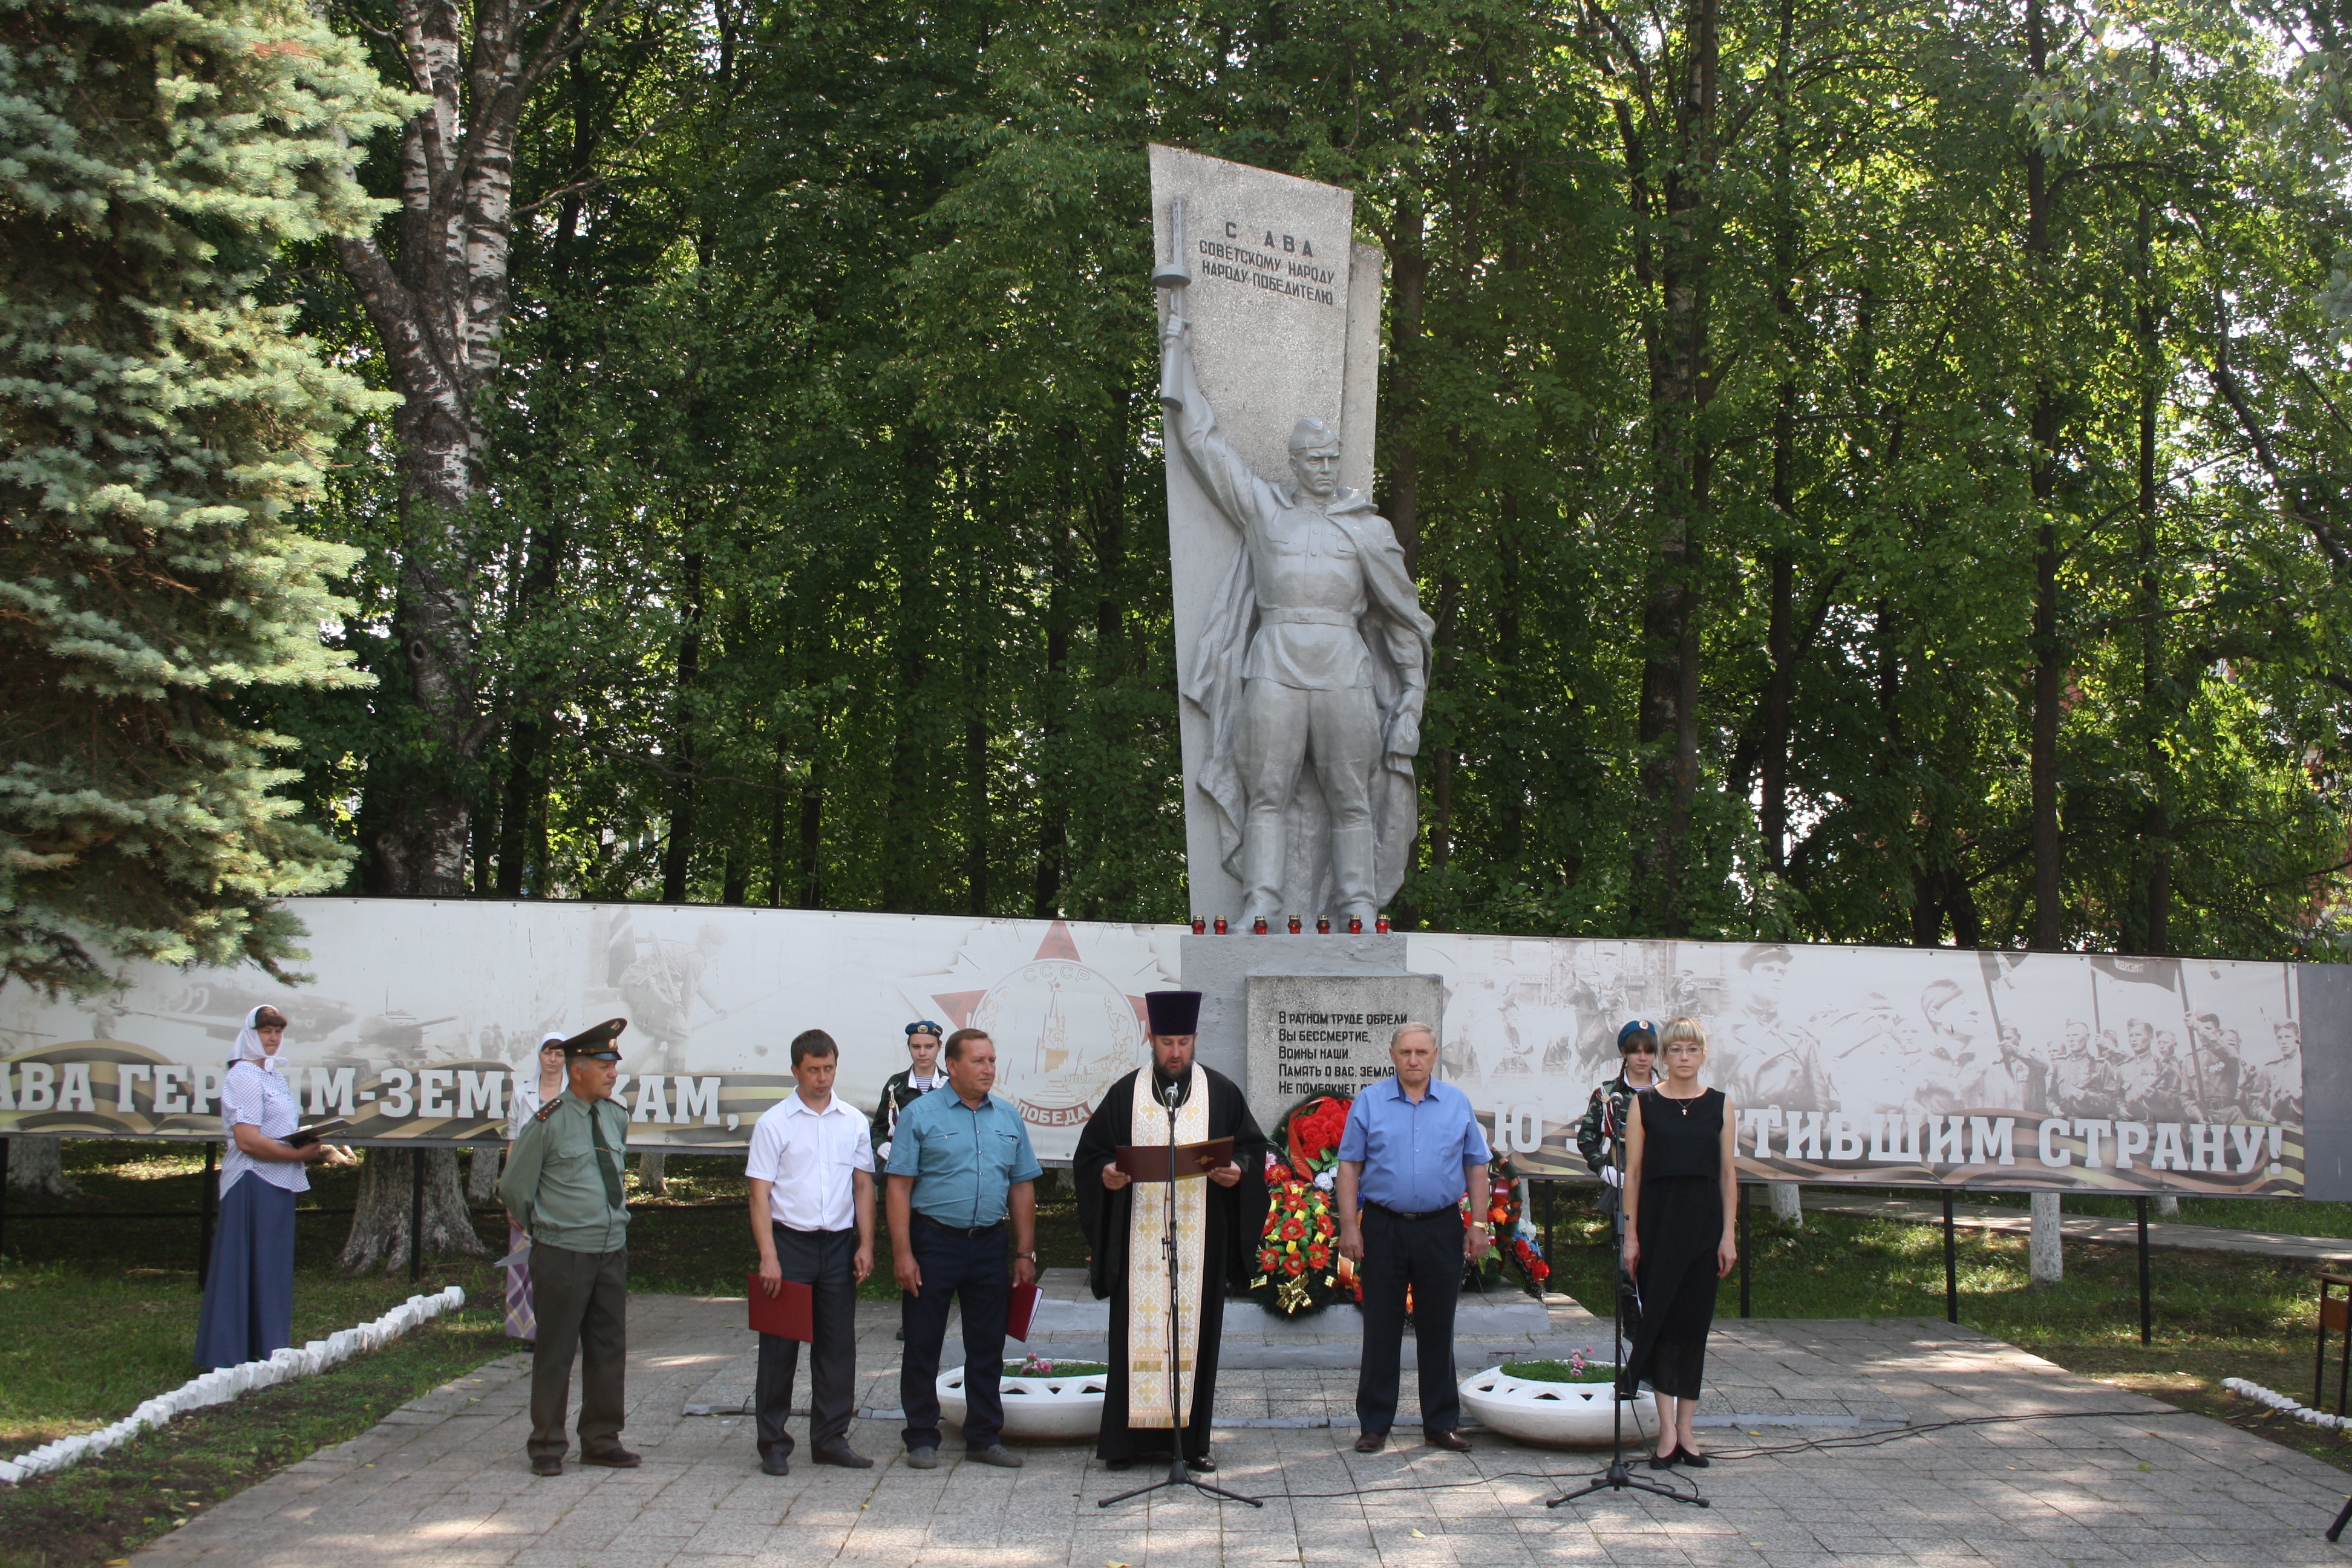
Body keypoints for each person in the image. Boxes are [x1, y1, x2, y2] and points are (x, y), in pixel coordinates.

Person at [1072, 990, 1270, 1473]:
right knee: (1134, 1339)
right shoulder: (1126, 1093)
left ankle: (1193, 1442)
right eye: (1166, 1041)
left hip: (1199, 1243)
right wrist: (1107, 1176)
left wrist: (1239, 1172)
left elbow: (1254, 1149)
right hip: (1139, 1241)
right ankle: (1127, 1443)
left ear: (1196, 1039)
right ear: (1151, 1039)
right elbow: (1092, 1154)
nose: (1175, 1052)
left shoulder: (1220, 1093)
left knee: (1195, 1337)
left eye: (1183, 1041)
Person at [885, 1027, 1041, 1470]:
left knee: (988, 1345)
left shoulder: (1008, 1118)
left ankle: (984, 1436)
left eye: (992, 1060)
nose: (989, 1069)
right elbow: (898, 1187)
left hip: (989, 1244)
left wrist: (1025, 1254)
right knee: (922, 1340)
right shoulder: (921, 1115)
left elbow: (1022, 1187)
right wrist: (903, 1253)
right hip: (933, 1242)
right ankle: (921, 1436)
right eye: (979, 1061)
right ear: (951, 1067)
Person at [1336, 1022, 1491, 1455]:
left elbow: (1476, 1165)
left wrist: (1478, 1225)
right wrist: (1350, 1227)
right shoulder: (1370, 1102)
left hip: (1440, 1227)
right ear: (1392, 1055)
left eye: (1422, 1052)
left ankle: (1440, 1423)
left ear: (1435, 1054)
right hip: (1384, 1226)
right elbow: (1349, 1166)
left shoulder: (1456, 1103)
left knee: (1438, 1325)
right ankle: (1375, 1424)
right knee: (1381, 1325)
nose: (1414, 1060)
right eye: (1406, 1052)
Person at [501, 1018, 637, 1477]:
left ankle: (601, 1439)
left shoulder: (616, 1116)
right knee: (556, 1349)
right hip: (562, 1251)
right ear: (578, 1069)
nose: (612, 1073)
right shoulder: (547, 1122)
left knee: (608, 1347)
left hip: (610, 1247)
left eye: (614, 1065)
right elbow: (516, 1188)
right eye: (604, 1065)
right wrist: (550, 1226)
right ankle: (546, 1444)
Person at [746, 1028, 876, 1476]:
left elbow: (863, 1185)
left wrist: (866, 1244)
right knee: (779, 1349)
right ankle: (774, 1443)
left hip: (838, 1245)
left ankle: (830, 1438)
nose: (823, 1078)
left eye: (829, 1069)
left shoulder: (853, 1121)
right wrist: (769, 1256)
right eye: (814, 1070)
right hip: (790, 1243)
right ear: (795, 1071)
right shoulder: (774, 1123)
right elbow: (759, 1194)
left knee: (838, 1347)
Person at [194, 1005, 346, 1368]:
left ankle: (267, 1349)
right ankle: (230, 1353)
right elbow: (247, 1140)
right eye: (266, 1032)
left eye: (278, 1032)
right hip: (252, 1181)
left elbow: (274, 1132)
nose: (273, 1039)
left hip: (277, 1181)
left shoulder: (273, 1075)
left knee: (270, 1267)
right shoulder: (244, 1074)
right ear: (251, 1034)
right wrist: (296, 1155)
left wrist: (308, 1148)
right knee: (247, 1264)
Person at [1618, 1015, 1739, 1469]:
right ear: (1663, 1056)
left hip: (1705, 1224)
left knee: (1694, 1329)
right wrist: (1632, 1237)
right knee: (1663, 1328)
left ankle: (1689, 1431)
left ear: (1703, 1055)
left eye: (1692, 1050)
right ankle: (1666, 1433)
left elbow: (1728, 1174)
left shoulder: (1720, 1105)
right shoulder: (1645, 1103)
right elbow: (1634, 1174)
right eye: (1676, 1050)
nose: (1684, 1058)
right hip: (1658, 1224)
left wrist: (1728, 1234)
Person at [1578, 1019, 1660, 1346]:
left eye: (1649, 1051)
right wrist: (1604, 1170)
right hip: (1624, 1179)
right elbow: (1587, 1138)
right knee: (1628, 1261)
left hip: (1661, 1182)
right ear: (1624, 1053)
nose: (1642, 1058)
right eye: (1635, 1051)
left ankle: (1657, 1332)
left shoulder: (1667, 1092)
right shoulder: (1607, 1094)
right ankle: (1634, 1333)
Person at [500, 1031, 569, 1345]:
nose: (553, 1060)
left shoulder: (574, 1092)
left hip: (561, 1185)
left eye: (559, 1054)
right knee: (524, 1258)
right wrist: (511, 1194)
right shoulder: (521, 1093)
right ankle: (527, 1331)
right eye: (547, 1053)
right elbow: (513, 1143)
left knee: (560, 1260)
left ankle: (559, 1331)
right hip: (528, 1185)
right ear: (539, 1056)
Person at [870, 1021, 947, 1164]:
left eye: (929, 1047)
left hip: (940, 1165)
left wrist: (951, 1093)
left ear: (939, 1046)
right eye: (916, 1047)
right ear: (909, 1047)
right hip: (904, 1163)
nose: (922, 1053)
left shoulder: (951, 1084)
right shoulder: (896, 1085)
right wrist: (881, 1144)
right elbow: (879, 1128)